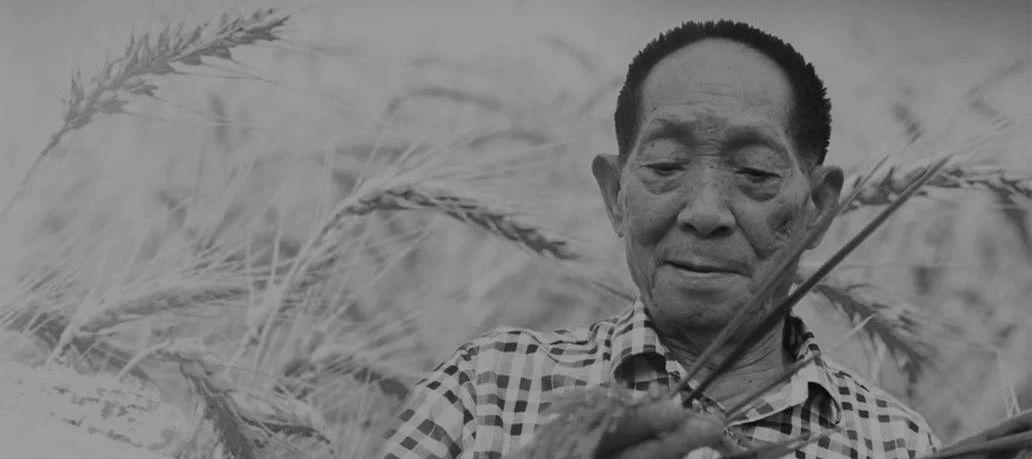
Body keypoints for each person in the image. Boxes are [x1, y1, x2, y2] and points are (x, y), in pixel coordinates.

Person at [380, 20, 939, 459]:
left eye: (755, 172)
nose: (704, 212)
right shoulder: (487, 389)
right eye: (667, 164)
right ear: (614, 194)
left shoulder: (896, 443)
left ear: (817, 208)